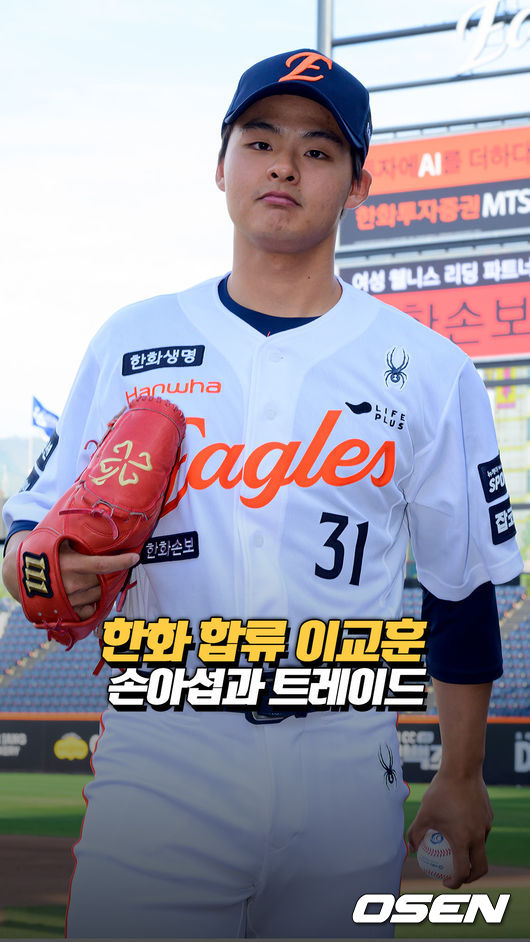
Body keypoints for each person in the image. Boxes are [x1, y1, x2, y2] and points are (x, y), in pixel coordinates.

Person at [2, 49, 523, 938]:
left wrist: (462, 773)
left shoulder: (431, 369)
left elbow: (462, 585)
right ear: (221, 167)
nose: (284, 165)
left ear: (358, 186)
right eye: (260, 140)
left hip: (346, 764)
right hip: (165, 755)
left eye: (319, 151)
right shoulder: (133, 340)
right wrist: (43, 572)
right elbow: (27, 538)